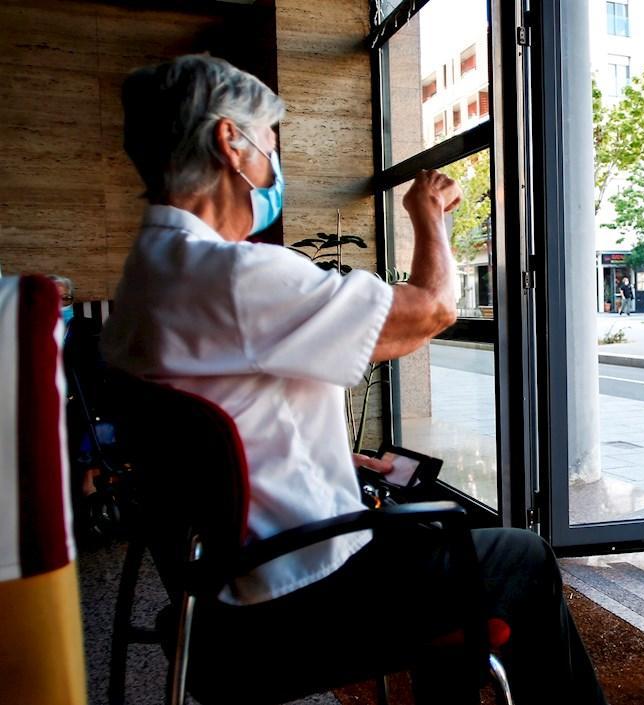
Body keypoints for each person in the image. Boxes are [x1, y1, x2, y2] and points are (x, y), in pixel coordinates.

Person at [100, 55, 606, 703]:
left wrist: (331, 458)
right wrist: (429, 219)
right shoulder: (233, 276)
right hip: (298, 594)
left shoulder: (146, 276)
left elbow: (228, 422)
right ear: (232, 142)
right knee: (523, 555)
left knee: (438, 544)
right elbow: (431, 308)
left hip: (217, 581)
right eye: (270, 145)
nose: (273, 166)